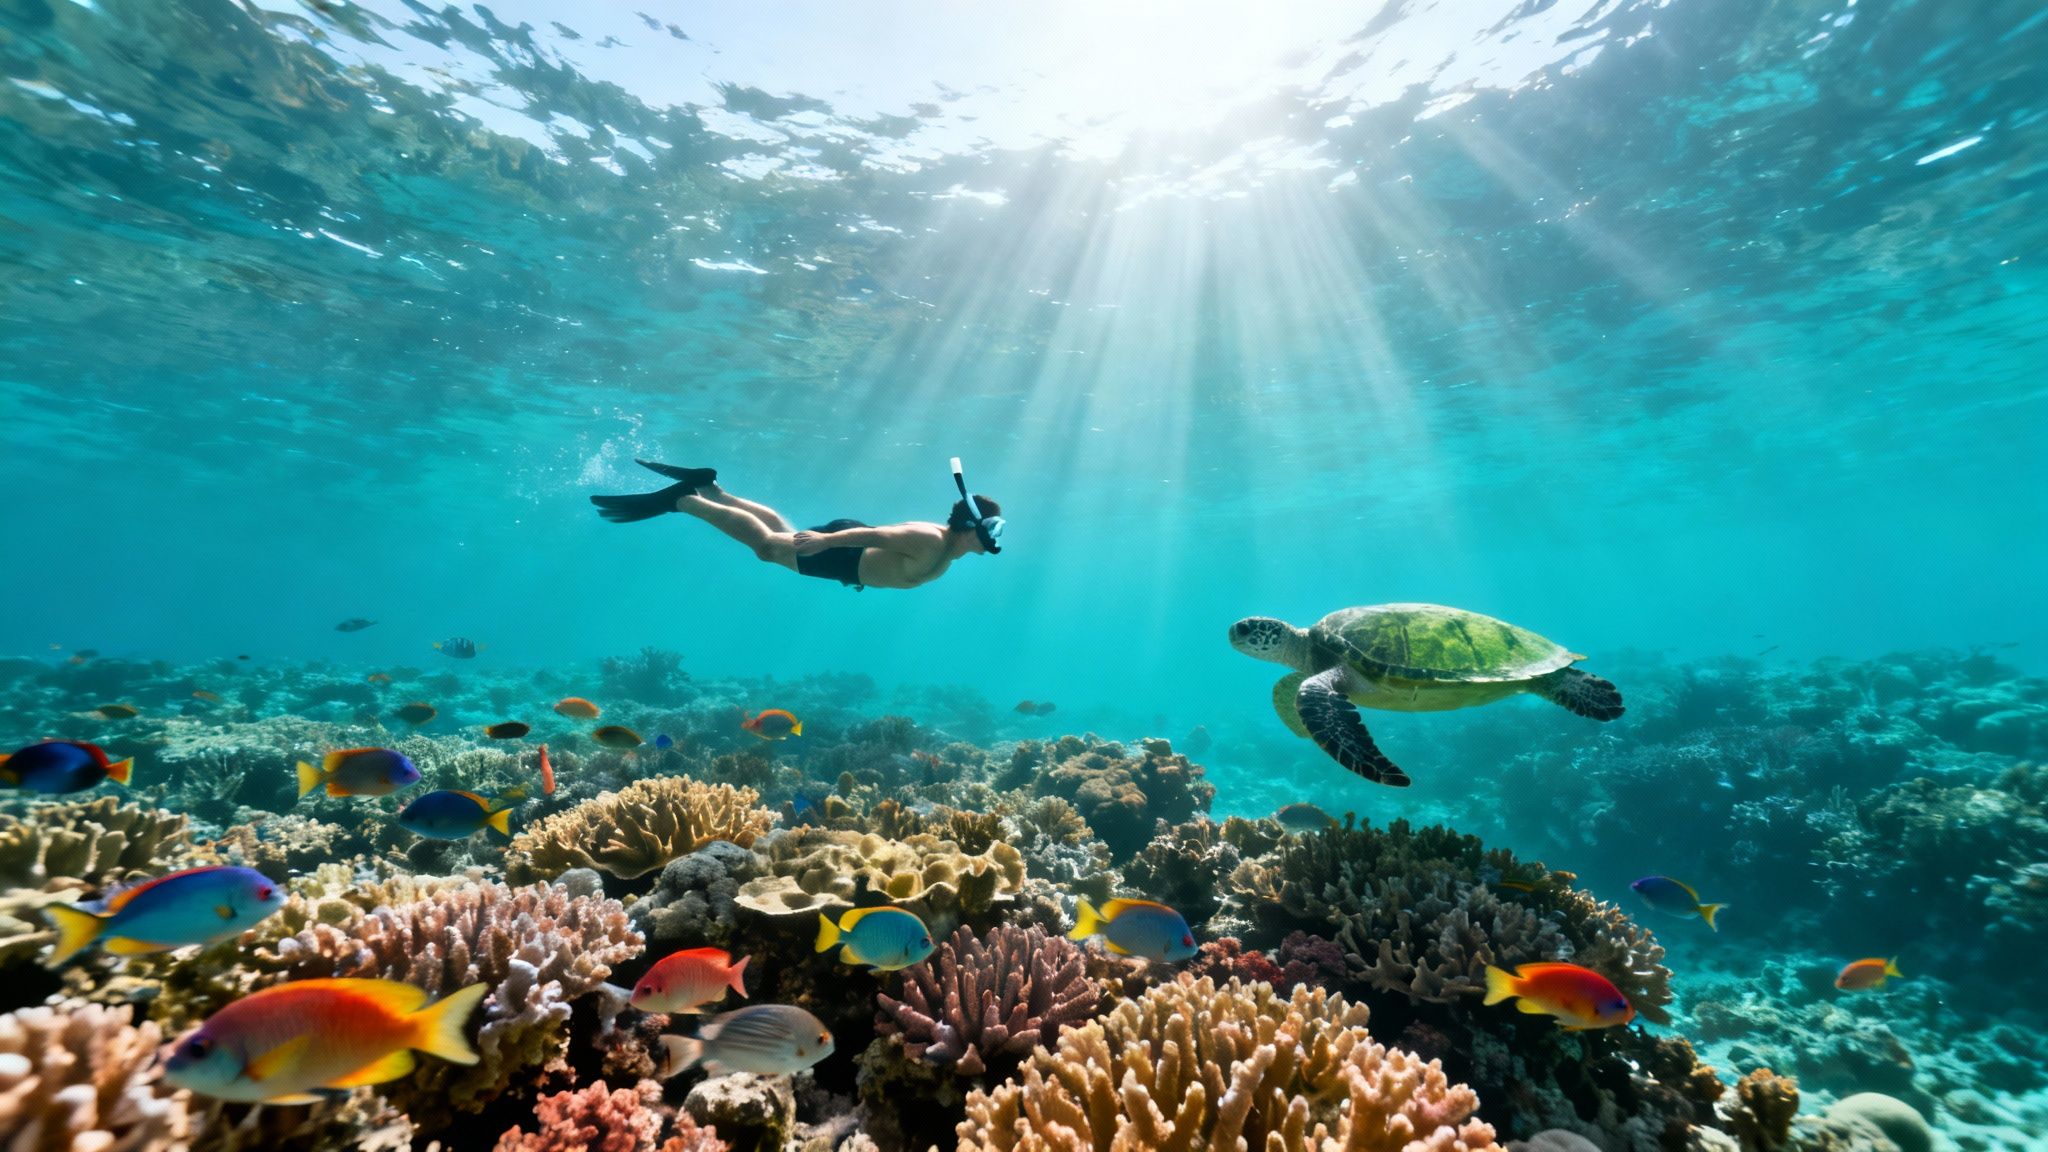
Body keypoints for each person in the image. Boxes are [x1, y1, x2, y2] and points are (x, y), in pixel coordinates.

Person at [591, 460, 1003, 591]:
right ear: (970, 527)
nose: (991, 540)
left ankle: (710, 487)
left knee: (780, 531)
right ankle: (684, 501)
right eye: (989, 531)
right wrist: (826, 542)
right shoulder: (931, 540)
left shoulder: (944, 549)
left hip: (848, 559)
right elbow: (876, 535)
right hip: (843, 552)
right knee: (769, 547)